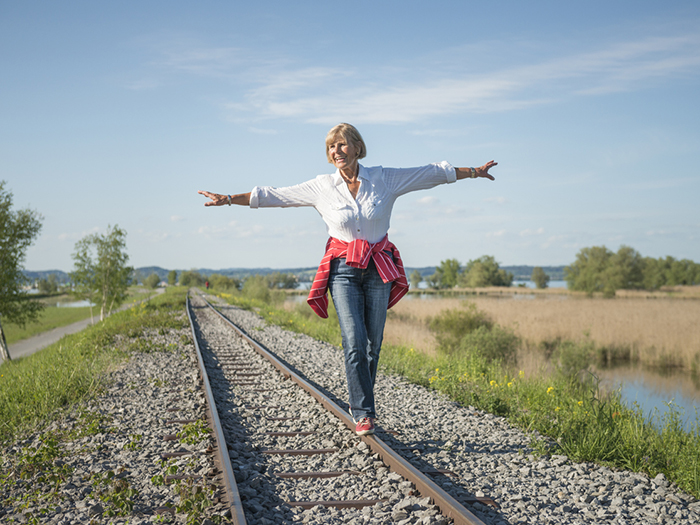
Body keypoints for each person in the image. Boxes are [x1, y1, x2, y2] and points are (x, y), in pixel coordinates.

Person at [199, 123, 496, 436]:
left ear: (357, 147)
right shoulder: (321, 186)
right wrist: (230, 198)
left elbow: (431, 173)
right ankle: (363, 412)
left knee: (373, 344)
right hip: (342, 270)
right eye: (331, 147)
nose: (336, 152)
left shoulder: (384, 178)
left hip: (378, 267)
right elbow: (274, 195)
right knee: (354, 340)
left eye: (341, 145)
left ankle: (362, 403)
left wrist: (474, 172)